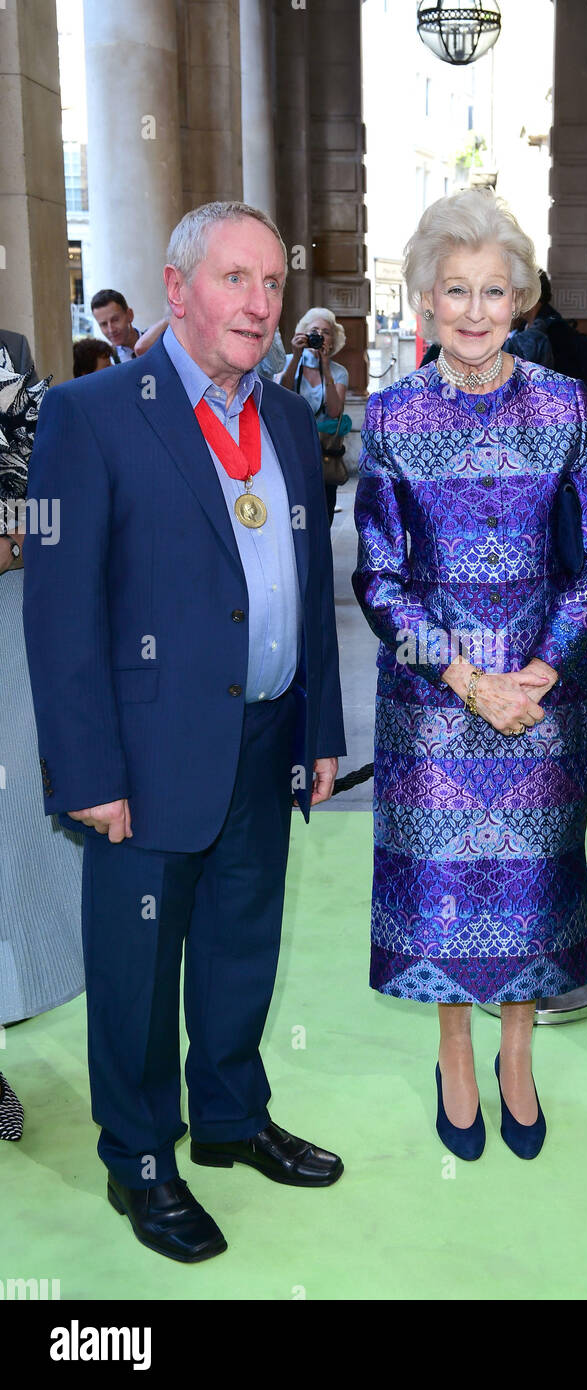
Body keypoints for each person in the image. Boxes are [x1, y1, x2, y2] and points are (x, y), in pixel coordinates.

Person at [24, 200, 346, 1263]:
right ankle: (142, 1160)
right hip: (144, 751)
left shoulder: (289, 419)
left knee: (242, 943)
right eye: (233, 280)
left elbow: (304, 585)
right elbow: (60, 613)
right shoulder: (94, 413)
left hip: (263, 737)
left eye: (270, 283)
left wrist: (320, 729)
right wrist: (85, 769)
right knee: (137, 963)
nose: (259, 303)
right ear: (176, 288)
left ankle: (229, 1117)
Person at [353, 188, 587, 1163]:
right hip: (433, 707)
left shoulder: (564, 406)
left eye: (493, 291)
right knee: (444, 893)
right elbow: (378, 578)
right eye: (454, 290)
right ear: (425, 297)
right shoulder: (388, 419)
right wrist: (471, 681)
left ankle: (517, 1054)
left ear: (520, 300)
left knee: (529, 885)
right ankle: (453, 1054)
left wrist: (541, 670)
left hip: (541, 702)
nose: (473, 311)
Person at [1, 339, 84, 1144]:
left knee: (12, 841)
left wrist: (13, 530)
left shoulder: (10, 361)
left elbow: (41, 501)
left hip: (9, 642)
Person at [280, 308, 349, 526]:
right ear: (303, 334)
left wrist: (325, 367)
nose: (319, 335)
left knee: (323, 514)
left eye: (326, 332)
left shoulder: (338, 372)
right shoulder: (288, 361)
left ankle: (320, 556)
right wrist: (296, 356)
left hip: (324, 451)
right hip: (292, 445)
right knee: (294, 511)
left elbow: (334, 411)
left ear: (333, 339)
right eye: (314, 330)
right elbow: (282, 395)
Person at [90, 289, 144, 362]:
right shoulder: (108, 362)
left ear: (130, 315)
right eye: (104, 324)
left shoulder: (156, 341)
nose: (111, 330)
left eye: (115, 320)